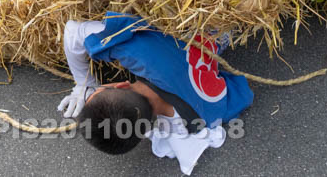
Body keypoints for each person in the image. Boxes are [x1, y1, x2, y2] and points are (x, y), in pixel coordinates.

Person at [60, 13, 252, 175]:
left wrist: (85, 85)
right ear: (121, 86)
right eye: (102, 88)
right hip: (215, 16)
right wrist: (84, 84)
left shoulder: (207, 115)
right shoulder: (137, 51)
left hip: (231, 31)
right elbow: (72, 31)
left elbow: (239, 95)